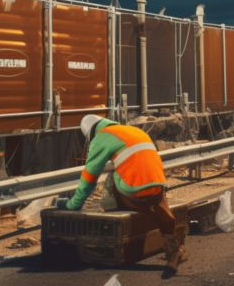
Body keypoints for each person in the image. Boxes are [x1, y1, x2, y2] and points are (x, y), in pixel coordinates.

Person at [57, 115, 187, 273]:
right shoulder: (133, 131)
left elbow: (89, 177)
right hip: (158, 186)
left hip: (134, 192)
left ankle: (113, 231)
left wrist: (73, 204)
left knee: (112, 178)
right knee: (158, 208)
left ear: (91, 134)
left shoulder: (102, 138)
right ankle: (173, 250)